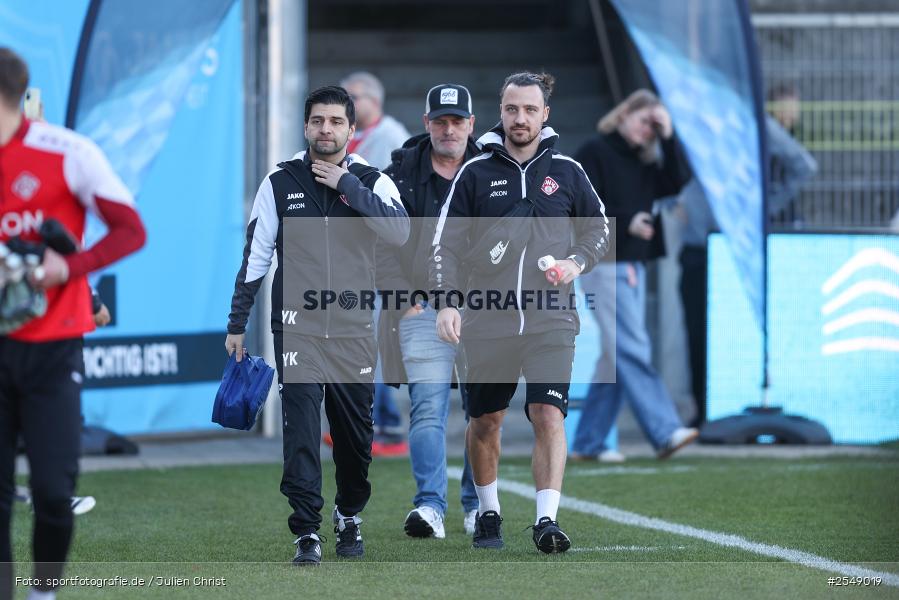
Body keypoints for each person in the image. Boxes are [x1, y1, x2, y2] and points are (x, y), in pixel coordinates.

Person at [224, 85, 409, 566]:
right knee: (301, 430)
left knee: (354, 437)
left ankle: (349, 514)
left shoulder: (372, 180)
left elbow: (400, 231)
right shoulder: (280, 181)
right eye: (317, 121)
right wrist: (237, 321)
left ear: (352, 129)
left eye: (335, 122)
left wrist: (345, 185)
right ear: (306, 127)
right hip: (296, 328)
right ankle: (306, 530)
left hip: (352, 330)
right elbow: (256, 257)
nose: (326, 130)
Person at [431, 72, 609, 553]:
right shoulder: (474, 173)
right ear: (501, 112)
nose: (521, 118)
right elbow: (444, 245)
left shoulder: (568, 172)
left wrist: (576, 262)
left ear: (544, 114)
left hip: (552, 319)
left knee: (547, 413)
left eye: (530, 110)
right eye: (512, 109)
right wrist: (448, 303)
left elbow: (599, 232)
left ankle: (547, 520)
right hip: (487, 321)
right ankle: (488, 511)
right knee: (486, 421)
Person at [0, 47, 146, 600]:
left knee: (52, 491)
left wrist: (68, 266)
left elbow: (130, 230)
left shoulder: (66, 152)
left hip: (52, 350)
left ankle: (43, 593)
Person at [677, 84, 817, 425]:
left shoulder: (751, 124)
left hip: (734, 248)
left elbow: (803, 165)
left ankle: (732, 403)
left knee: (734, 332)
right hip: (697, 249)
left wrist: (763, 212)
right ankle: (702, 408)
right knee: (697, 332)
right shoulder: (690, 128)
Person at [570, 89, 698, 462]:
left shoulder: (644, 160)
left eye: (654, 127)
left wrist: (669, 135)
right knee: (630, 348)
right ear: (624, 114)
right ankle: (664, 430)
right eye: (645, 121)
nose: (649, 131)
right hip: (606, 260)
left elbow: (678, 180)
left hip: (630, 264)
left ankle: (589, 443)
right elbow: (578, 204)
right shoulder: (596, 151)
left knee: (614, 356)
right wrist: (627, 222)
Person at [377, 84, 480, 539]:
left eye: (458, 121)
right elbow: (378, 244)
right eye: (440, 120)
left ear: (471, 125)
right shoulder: (397, 175)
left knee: (484, 413)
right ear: (426, 124)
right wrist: (404, 301)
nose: (449, 129)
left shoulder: (492, 169)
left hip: (481, 310)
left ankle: (478, 506)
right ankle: (430, 507)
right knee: (427, 410)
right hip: (421, 307)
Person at [339, 72, 412, 454]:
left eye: (353, 96)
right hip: (355, 258)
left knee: (375, 343)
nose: (346, 102)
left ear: (374, 100)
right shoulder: (356, 138)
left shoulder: (392, 137)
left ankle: (387, 426)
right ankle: (357, 418)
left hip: (381, 257)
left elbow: (394, 206)